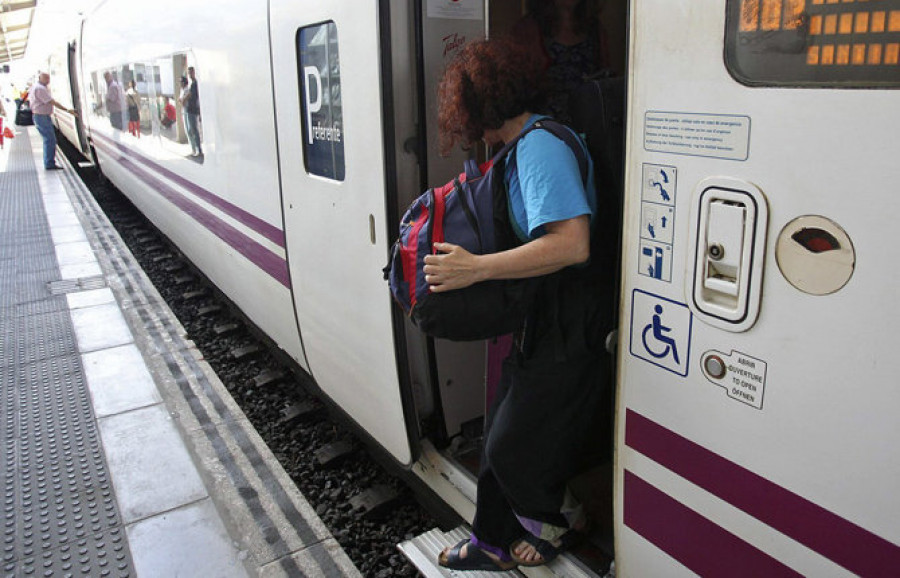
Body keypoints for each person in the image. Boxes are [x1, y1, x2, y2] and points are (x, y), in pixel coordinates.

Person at [428, 39, 608, 571]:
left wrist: (475, 268)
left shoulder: (538, 149)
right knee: (498, 439)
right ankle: (492, 539)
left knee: (511, 444)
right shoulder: (525, 144)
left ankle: (556, 520)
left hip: (569, 320)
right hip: (545, 316)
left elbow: (572, 243)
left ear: (478, 107)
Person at [510, 0, 609, 123]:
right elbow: (518, 86)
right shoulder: (527, 30)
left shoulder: (595, 29)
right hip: (545, 125)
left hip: (589, 121)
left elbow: (605, 80)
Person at [28, 72, 76, 170]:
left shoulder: (36, 87)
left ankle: (49, 162)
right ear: (40, 78)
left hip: (41, 116)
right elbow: (52, 102)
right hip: (42, 117)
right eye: (46, 78)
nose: (48, 80)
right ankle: (49, 163)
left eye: (48, 78)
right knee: (50, 140)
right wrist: (67, 110)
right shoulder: (40, 89)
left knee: (49, 140)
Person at [180, 66, 202, 156]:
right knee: (190, 129)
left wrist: (184, 99)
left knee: (193, 129)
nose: (190, 74)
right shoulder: (191, 84)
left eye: (191, 72)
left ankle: (198, 149)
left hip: (193, 109)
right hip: (189, 109)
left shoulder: (195, 84)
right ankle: (194, 149)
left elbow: (189, 94)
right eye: (189, 73)